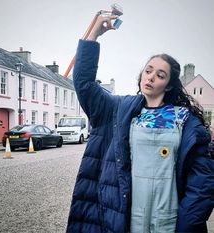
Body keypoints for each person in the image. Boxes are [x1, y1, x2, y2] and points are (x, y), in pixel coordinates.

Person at [66, 15, 214, 233]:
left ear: (169, 85)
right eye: (148, 70)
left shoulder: (185, 120)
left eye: (160, 75)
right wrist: (94, 34)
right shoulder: (119, 110)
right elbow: (85, 84)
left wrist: (186, 226)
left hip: (169, 221)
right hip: (127, 219)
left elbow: (202, 183)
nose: (151, 77)